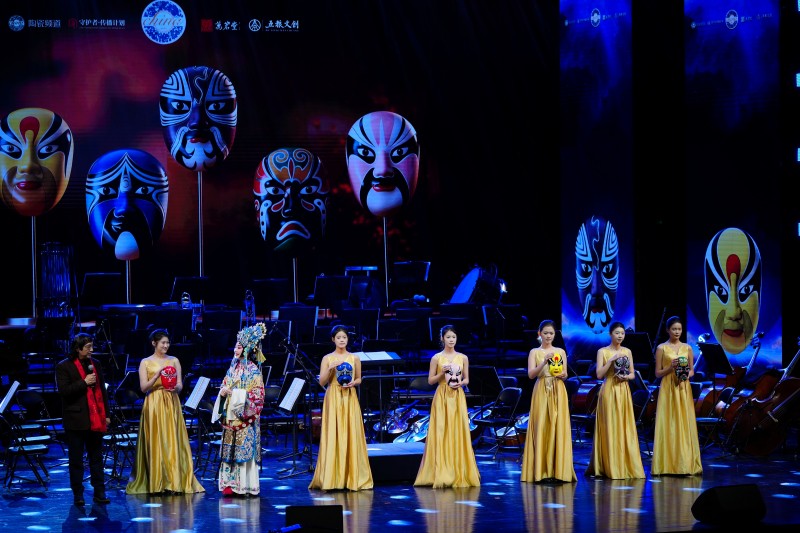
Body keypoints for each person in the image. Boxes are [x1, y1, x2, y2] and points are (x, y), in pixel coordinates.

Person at [126, 329, 204, 494]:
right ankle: (157, 481)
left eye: (168, 343)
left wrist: (176, 388)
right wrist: (156, 376)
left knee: (171, 439)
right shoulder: (145, 362)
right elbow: (143, 388)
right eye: (163, 343)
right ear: (154, 343)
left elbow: (180, 384)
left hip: (171, 401)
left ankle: (173, 480)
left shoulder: (174, 360)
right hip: (154, 403)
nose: (166, 345)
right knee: (156, 439)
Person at [414, 325, 480, 488]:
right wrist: (442, 373)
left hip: (457, 396)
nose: (451, 340)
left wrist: (461, 383)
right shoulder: (436, 358)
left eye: (453, 337)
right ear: (442, 338)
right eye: (448, 337)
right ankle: (441, 471)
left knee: (458, 430)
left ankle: (459, 471)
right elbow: (430, 381)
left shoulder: (463, 357)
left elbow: (467, 379)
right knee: (441, 431)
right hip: (442, 396)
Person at [309, 326, 373, 491]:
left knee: (351, 432)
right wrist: (330, 368)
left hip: (349, 396)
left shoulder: (354, 358)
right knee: (334, 433)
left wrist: (354, 383)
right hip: (334, 396)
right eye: (338, 337)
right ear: (333, 340)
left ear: (347, 339)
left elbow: (359, 379)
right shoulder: (327, 358)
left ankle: (352, 477)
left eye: (344, 337)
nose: (342, 340)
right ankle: (332, 477)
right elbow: (321, 382)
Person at [55, 333, 111, 506]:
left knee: (97, 458)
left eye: (92, 346)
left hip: (96, 418)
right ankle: (78, 494)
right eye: (88, 347)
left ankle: (99, 492)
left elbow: (102, 391)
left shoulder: (96, 364)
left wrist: (107, 415)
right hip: (76, 420)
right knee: (76, 460)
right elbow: (64, 391)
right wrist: (84, 382)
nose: (91, 350)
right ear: (78, 348)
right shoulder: (64, 366)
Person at [586, 321, 645, 479]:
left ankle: (624, 463)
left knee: (623, 425)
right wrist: (611, 360)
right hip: (609, 390)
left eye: (622, 333)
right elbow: (599, 374)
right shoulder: (602, 351)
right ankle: (608, 464)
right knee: (609, 425)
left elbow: (632, 374)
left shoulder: (627, 351)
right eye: (617, 333)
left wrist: (626, 377)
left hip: (623, 390)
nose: (620, 336)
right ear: (610, 334)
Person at [521, 320, 577, 483]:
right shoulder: (534, 352)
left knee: (558, 426)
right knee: (542, 426)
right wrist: (544, 362)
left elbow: (565, 373)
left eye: (551, 333)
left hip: (558, 389)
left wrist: (563, 375)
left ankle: (558, 470)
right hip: (541, 388)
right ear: (539, 333)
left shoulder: (560, 351)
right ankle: (541, 470)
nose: (548, 336)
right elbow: (531, 375)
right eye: (545, 333)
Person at [217, 322, 267, 496]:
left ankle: (244, 486)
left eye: (239, 347)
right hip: (230, 415)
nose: (235, 350)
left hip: (244, 417)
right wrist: (223, 391)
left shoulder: (254, 372)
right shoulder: (233, 368)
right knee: (229, 451)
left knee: (243, 451)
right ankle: (229, 485)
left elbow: (258, 396)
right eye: (235, 346)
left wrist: (236, 394)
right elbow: (225, 383)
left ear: (246, 349)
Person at [651, 316, 703, 476]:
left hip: (683, 387)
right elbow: (657, 373)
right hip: (668, 388)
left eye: (679, 329)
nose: (677, 332)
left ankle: (685, 463)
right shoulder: (661, 348)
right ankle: (666, 465)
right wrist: (670, 368)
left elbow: (692, 370)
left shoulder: (687, 348)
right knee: (668, 422)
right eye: (674, 329)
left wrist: (686, 374)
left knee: (683, 422)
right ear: (668, 330)